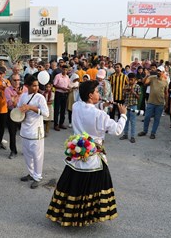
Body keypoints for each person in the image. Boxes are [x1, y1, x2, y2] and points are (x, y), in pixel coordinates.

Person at [46, 80, 127, 227]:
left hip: (77, 153)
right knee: (94, 186)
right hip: (93, 155)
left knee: (72, 183)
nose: (99, 94)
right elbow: (116, 130)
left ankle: (64, 213)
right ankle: (85, 216)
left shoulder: (77, 106)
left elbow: (87, 110)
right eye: (97, 91)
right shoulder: (99, 115)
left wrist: (103, 105)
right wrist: (123, 115)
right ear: (90, 95)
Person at [18, 75, 49, 189]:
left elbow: (46, 113)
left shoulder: (40, 97)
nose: (36, 87)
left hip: (36, 132)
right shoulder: (23, 96)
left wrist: (31, 108)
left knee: (37, 156)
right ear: (27, 86)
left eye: (37, 85)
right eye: (34, 85)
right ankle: (31, 174)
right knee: (27, 155)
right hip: (25, 130)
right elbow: (18, 109)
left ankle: (37, 177)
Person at [138, 66, 168, 139]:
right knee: (147, 117)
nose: (158, 72)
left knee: (157, 119)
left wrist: (166, 103)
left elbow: (166, 93)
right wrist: (147, 76)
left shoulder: (165, 81)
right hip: (151, 102)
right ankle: (145, 131)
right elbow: (144, 83)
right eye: (157, 70)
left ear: (163, 72)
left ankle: (153, 133)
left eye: (160, 71)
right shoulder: (152, 78)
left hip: (160, 103)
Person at [5, 73, 27, 159]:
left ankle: (26, 149)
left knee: (25, 132)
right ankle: (13, 151)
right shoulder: (7, 90)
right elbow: (10, 104)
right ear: (11, 81)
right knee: (12, 133)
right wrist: (17, 95)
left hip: (23, 112)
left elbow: (27, 101)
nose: (17, 82)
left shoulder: (24, 89)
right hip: (13, 112)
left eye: (18, 80)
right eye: (15, 80)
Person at [119, 73, 141, 143]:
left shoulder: (137, 86)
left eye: (132, 80)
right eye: (129, 79)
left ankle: (132, 136)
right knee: (125, 120)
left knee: (133, 121)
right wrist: (125, 92)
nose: (130, 81)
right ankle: (125, 134)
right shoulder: (126, 86)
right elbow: (123, 97)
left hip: (133, 105)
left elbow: (139, 97)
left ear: (135, 80)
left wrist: (133, 92)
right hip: (126, 105)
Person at [53, 64, 70, 131]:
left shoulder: (67, 77)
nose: (65, 71)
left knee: (63, 109)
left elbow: (68, 85)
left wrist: (69, 88)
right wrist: (62, 88)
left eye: (66, 70)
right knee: (57, 109)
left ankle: (61, 123)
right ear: (61, 69)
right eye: (64, 69)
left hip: (65, 94)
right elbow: (54, 85)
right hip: (58, 93)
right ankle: (56, 124)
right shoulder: (58, 76)